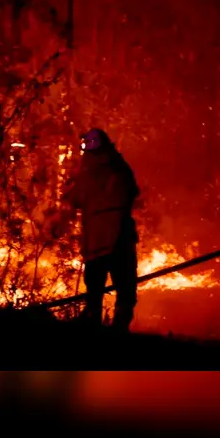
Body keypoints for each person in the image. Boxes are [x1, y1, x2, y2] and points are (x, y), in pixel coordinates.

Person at [52, 129, 141, 332]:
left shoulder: (86, 174)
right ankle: (119, 330)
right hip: (121, 241)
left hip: (98, 245)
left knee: (95, 293)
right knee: (125, 290)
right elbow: (133, 192)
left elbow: (71, 199)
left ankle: (93, 330)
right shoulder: (121, 168)